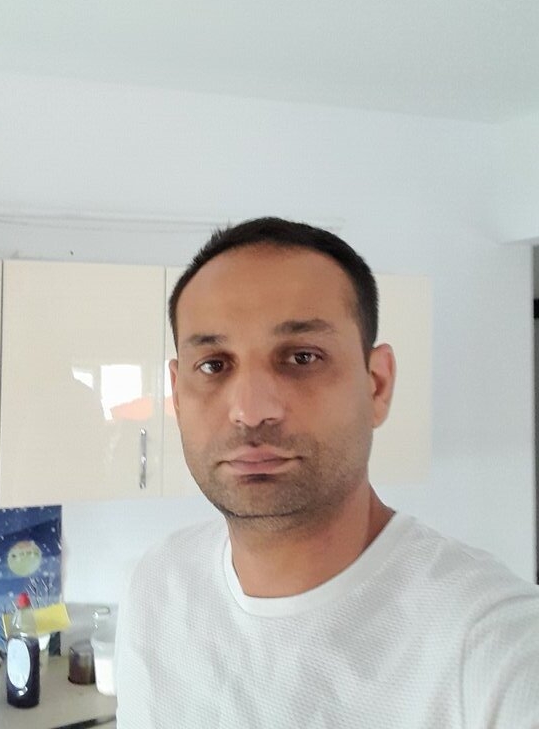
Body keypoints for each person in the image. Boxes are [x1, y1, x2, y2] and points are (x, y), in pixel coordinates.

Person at [115, 216, 539, 728]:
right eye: (213, 365)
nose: (250, 411)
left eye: (301, 357)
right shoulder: (154, 586)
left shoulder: (493, 646)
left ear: (377, 385)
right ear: (178, 395)